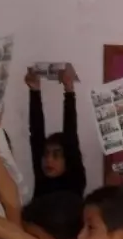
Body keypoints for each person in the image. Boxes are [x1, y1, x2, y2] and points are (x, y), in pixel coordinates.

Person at [26, 65, 86, 198]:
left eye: (56, 155)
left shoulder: (75, 179)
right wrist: (34, 90)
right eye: (46, 154)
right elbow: (36, 133)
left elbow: (70, 132)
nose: (48, 160)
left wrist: (69, 90)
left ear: (68, 159)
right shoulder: (42, 176)